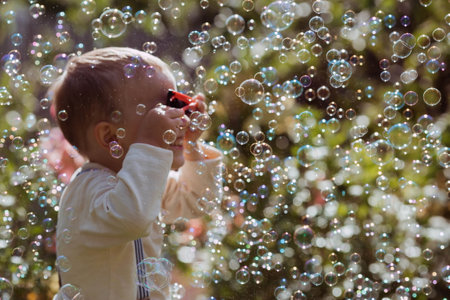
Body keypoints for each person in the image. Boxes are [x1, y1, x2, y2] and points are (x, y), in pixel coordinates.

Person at [52, 47, 222, 300]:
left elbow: (198, 199)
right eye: (160, 112)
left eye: (176, 104)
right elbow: (132, 216)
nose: (181, 119)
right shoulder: (86, 191)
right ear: (110, 137)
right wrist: (153, 144)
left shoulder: (143, 185)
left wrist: (192, 146)